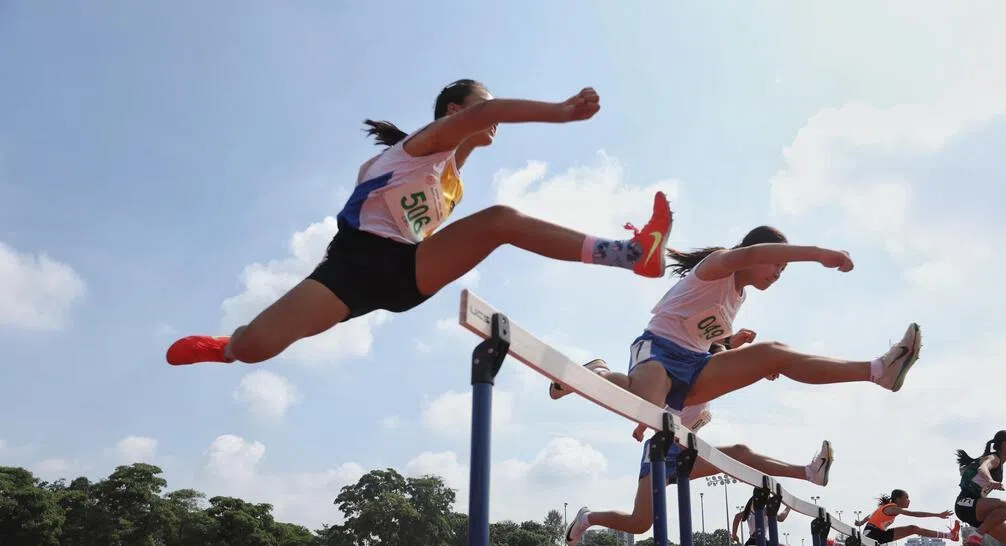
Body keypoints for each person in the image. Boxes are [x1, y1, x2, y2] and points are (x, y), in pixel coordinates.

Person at [166, 80, 672, 367]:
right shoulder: (423, 143)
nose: (490, 120)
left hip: (406, 270)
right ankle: (226, 345)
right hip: (351, 266)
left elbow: (464, 151)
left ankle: (632, 255)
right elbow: (484, 115)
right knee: (256, 348)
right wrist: (559, 112)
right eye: (479, 110)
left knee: (499, 221)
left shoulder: (454, 178)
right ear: (454, 112)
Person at [549, 225, 921, 416]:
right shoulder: (719, 265)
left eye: (784, 269)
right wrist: (818, 253)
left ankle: (878, 371)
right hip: (658, 351)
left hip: (695, 365)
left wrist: (735, 351)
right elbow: (754, 251)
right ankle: (596, 371)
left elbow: (703, 337)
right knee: (646, 406)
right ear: (754, 255)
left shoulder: (738, 297)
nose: (779, 272)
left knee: (773, 353)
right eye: (778, 264)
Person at [563, 338, 833, 545]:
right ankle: (587, 518)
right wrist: (642, 425)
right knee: (640, 523)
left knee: (739, 452)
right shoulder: (691, 374)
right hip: (661, 451)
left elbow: (730, 363)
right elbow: (663, 401)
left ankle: (809, 473)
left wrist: (757, 364)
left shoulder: (708, 378)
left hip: (683, 452)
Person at [856, 489, 960, 546]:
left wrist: (861, 522)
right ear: (898, 499)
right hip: (872, 532)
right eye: (907, 498)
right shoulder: (892, 508)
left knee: (913, 529)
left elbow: (869, 516)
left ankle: (951, 536)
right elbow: (914, 514)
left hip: (881, 533)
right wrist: (937, 515)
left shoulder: (887, 508)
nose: (909, 500)